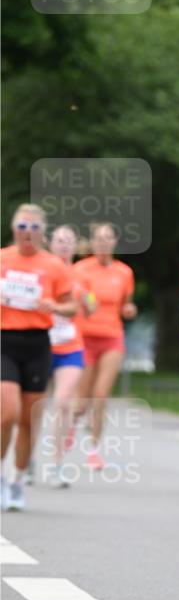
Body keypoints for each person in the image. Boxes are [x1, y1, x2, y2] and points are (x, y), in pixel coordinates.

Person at [1, 204, 74, 510]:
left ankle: (17, 480)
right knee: (7, 413)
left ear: (42, 233)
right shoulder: (3, 258)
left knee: (29, 420)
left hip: (37, 344)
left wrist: (55, 307)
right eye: (22, 226)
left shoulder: (53, 266)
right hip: (4, 341)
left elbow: (72, 307)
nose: (27, 233)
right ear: (13, 229)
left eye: (34, 228)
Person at [73, 223, 137, 469]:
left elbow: (125, 305)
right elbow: (78, 299)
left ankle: (94, 450)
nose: (103, 243)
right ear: (93, 243)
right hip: (85, 338)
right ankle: (72, 426)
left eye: (107, 239)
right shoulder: (81, 270)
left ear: (114, 243)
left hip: (112, 337)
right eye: (99, 239)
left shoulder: (124, 272)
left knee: (101, 395)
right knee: (82, 400)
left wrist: (129, 309)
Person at [47, 225, 96, 487]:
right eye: (59, 240)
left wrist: (88, 300)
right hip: (40, 344)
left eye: (69, 241)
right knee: (30, 406)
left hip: (70, 345)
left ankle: (56, 464)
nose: (64, 245)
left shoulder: (82, 275)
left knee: (63, 402)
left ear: (75, 246)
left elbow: (92, 306)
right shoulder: (41, 269)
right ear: (50, 244)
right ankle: (27, 457)